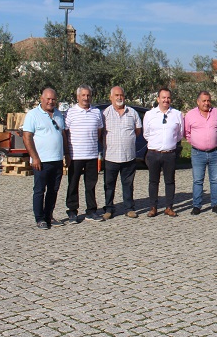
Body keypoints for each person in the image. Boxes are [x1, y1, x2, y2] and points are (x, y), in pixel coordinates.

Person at [22, 88, 65, 229]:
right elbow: (27, 137)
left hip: (57, 159)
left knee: (53, 190)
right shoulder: (33, 115)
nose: (50, 101)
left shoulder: (58, 114)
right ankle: (39, 218)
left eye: (53, 99)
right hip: (41, 161)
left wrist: (67, 154)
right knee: (40, 190)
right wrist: (34, 157)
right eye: (48, 99)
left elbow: (63, 135)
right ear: (41, 99)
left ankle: (49, 216)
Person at [64, 85, 104, 223]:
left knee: (91, 184)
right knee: (73, 184)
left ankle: (91, 211)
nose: (86, 98)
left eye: (88, 95)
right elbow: (66, 133)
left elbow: (99, 132)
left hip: (91, 155)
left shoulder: (96, 112)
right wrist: (67, 153)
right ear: (78, 97)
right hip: (75, 156)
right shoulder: (70, 113)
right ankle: (72, 211)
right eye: (83, 95)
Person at [101, 86, 142, 220]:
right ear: (111, 97)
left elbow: (138, 131)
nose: (119, 98)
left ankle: (129, 208)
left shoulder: (133, 113)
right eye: (116, 95)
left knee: (128, 184)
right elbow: (101, 133)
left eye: (121, 95)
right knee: (109, 185)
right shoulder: (105, 114)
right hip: (111, 157)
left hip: (128, 156)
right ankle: (108, 208)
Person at [143, 88, 184, 218]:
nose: (166, 100)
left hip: (170, 153)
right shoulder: (150, 114)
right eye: (163, 98)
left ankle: (169, 207)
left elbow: (179, 134)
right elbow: (146, 134)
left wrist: (169, 143)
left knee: (170, 181)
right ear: (158, 99)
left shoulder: (177, 114)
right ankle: (153, 207)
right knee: (153, 181)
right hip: (154, 153)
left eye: (168, 98)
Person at [184, 91, 217, 215]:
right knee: (197, 180)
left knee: (215, 180)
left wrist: (213, 141)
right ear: (198, 102)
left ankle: (216, 205)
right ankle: (197, 206)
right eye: (204, 100)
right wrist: (197, 143)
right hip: (198, 153)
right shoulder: (190, 115)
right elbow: (187, 133)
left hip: (215, 152)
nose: (206, 103)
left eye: (208, 100)